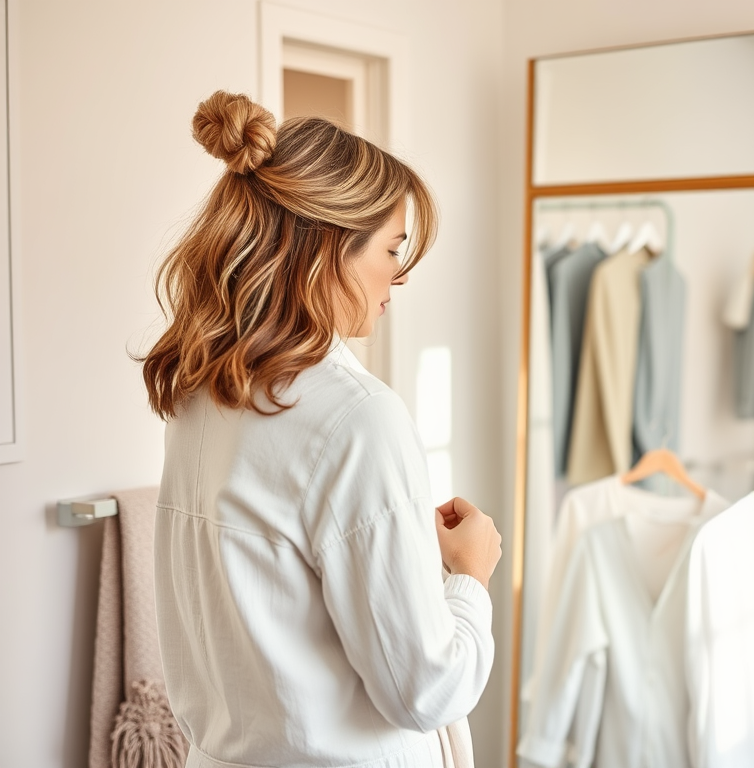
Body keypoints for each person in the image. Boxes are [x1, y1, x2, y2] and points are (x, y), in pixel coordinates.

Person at [141, 90, 502, 768]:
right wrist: (469, 575)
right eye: (392, 249)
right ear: (332, 248)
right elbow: (425, 690)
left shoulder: (199, 390)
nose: (399, 274)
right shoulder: (358, 419)